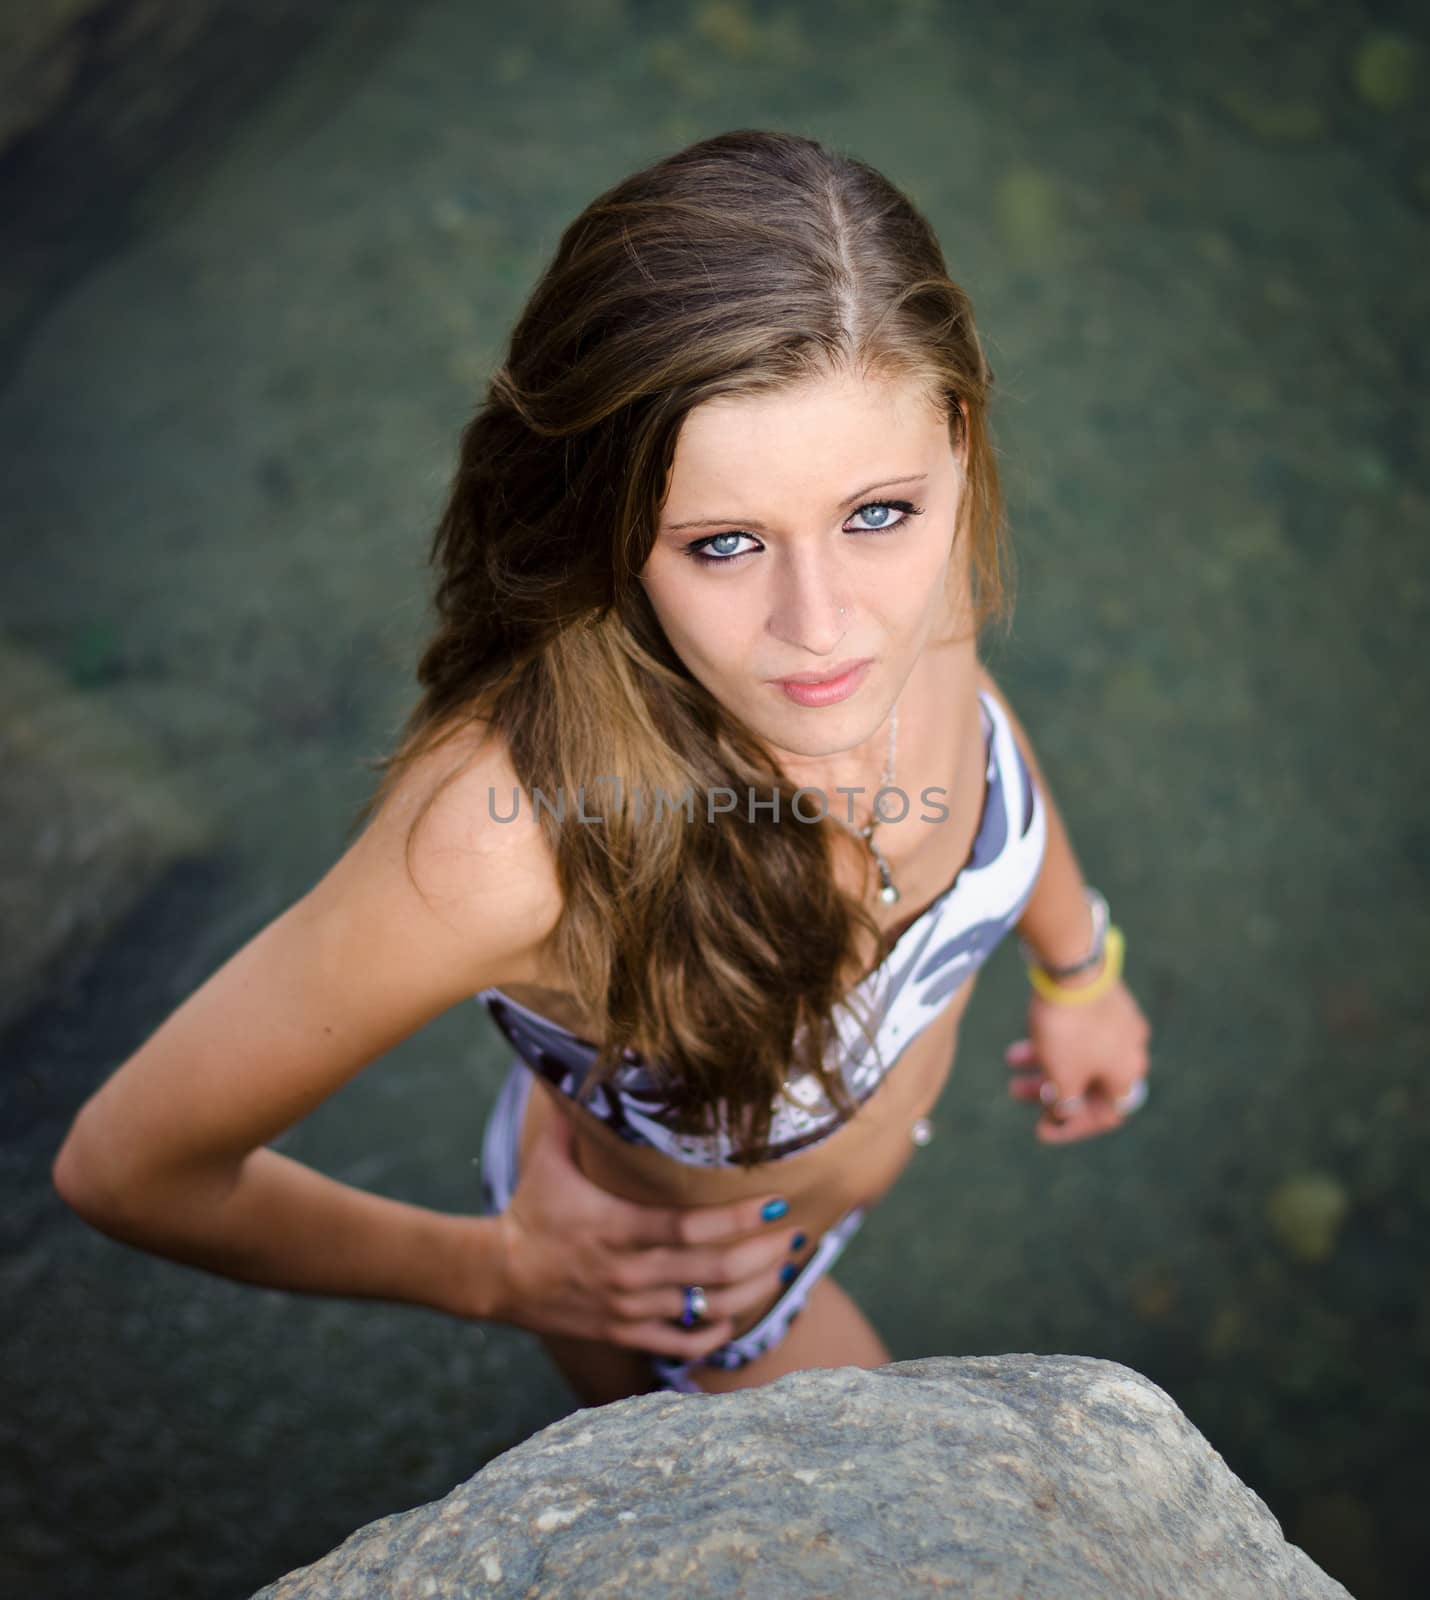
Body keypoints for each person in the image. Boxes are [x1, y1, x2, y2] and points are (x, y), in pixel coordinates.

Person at [51, 128, 1152, 1409]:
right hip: (694, 1309)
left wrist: (1078, 964)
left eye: (873, 516)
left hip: (827, 1177)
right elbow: (126, 1167)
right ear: (612, 525)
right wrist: (496, 1274)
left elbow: (977, 723)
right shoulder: (506, 840)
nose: (824, 624)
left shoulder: (911, 556)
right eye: (723, 542)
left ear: (955, 439)